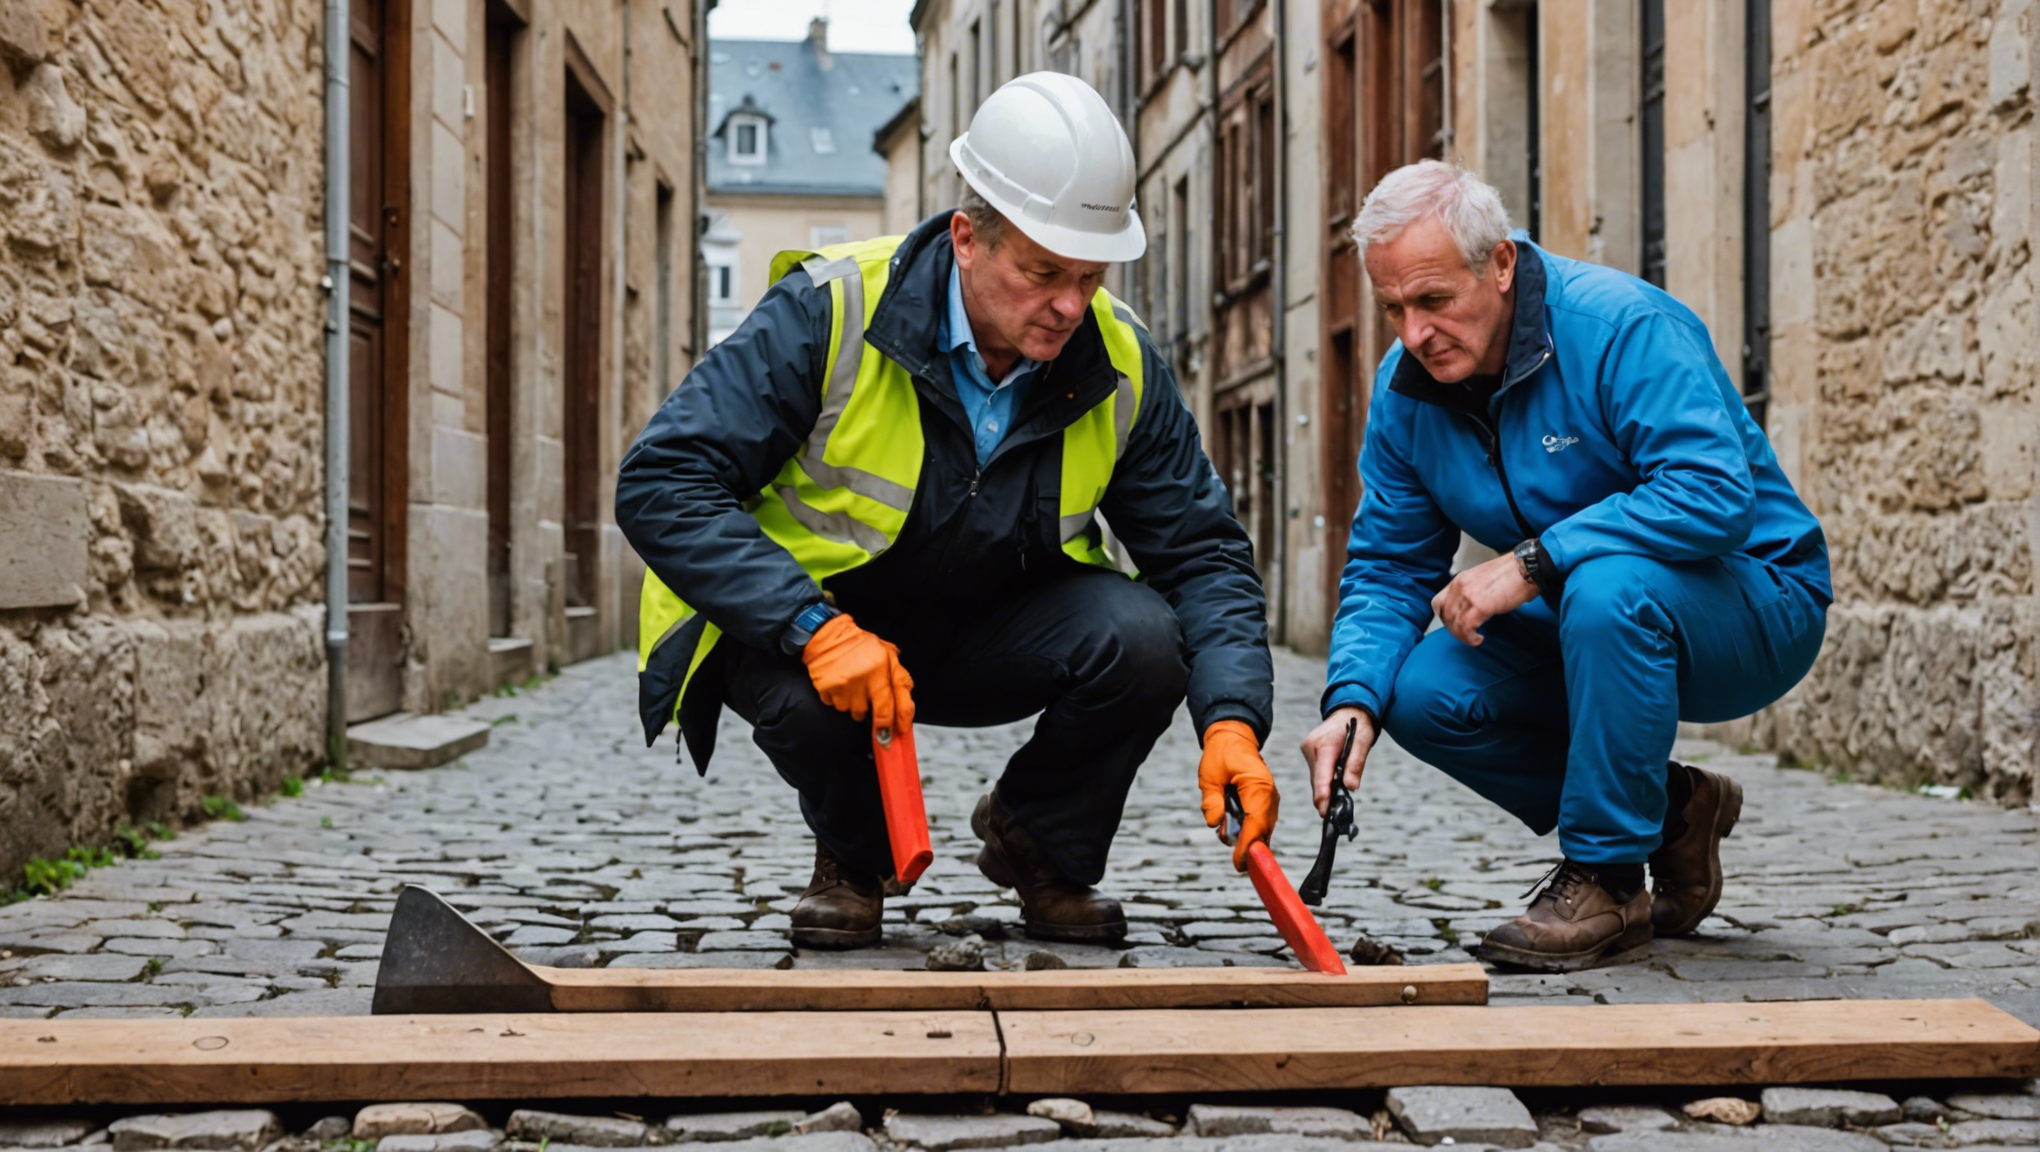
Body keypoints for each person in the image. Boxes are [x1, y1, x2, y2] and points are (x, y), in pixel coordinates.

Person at [616, 73, 1278, 950]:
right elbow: (662, 479)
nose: (1069, 306)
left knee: (1146, 638)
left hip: (986, 627)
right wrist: (810, 625)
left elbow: (1201, 555)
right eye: (1043, 272)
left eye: (1089, 276)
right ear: (968, 238)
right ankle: (855, 860)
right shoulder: (830, 311)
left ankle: (1039, 842)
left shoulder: (1118, 359)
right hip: (806, 628)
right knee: (813, 706)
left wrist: (1232, 717)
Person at [1302, 161, 1830, 972]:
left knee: (1606, 585)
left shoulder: (1622, 326)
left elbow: (1714, 494)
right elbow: (1387, 563)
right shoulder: (1407, 392)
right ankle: (1676, 811)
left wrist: (1534, 561)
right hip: (1587, 611)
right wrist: (1352, 700)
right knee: (1422, 690)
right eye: (1394, 308)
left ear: (1502, 264)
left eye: (1434, 301)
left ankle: (1610, 878)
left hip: (1756, 602)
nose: (1413, 333)